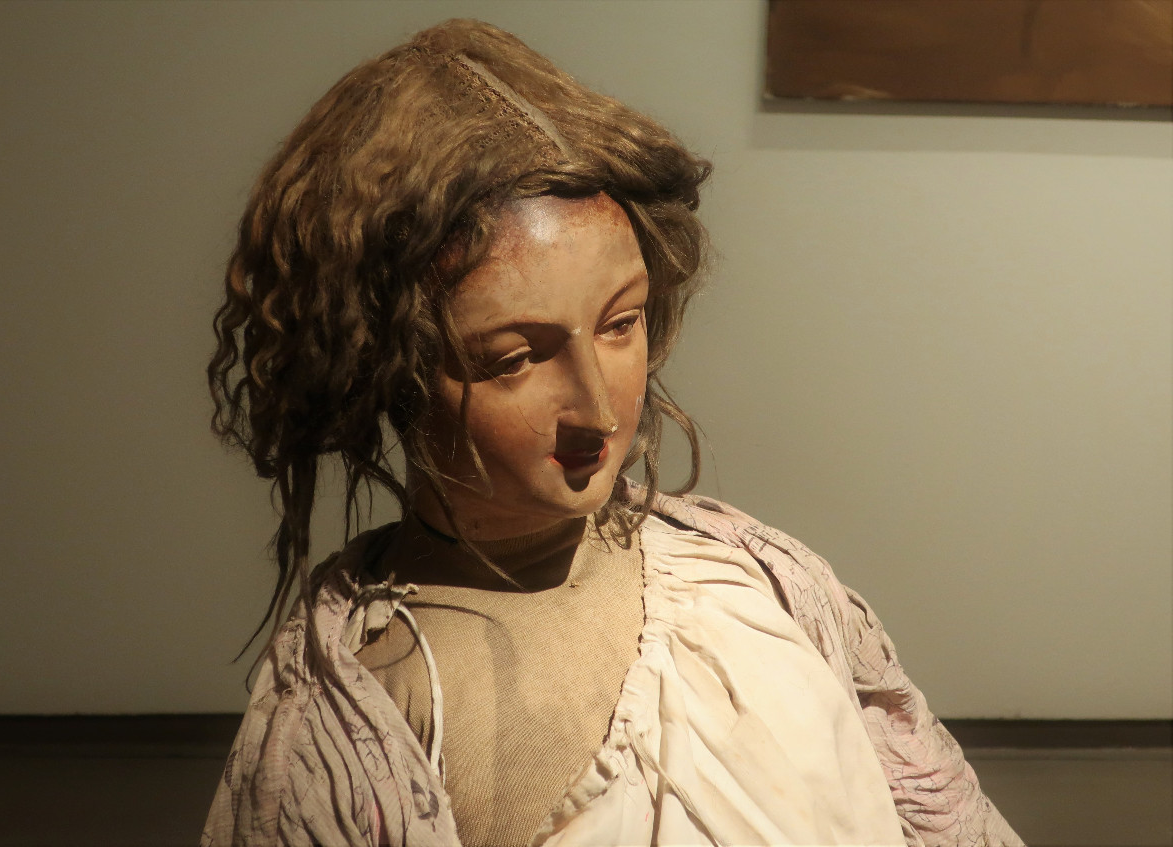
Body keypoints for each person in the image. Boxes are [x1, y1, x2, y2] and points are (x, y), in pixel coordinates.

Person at [202, 18, 1023, 847]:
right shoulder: (368, 706)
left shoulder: (754, 578)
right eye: (514, 358)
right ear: (385, 369)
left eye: (620, 323)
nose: (596, 406)